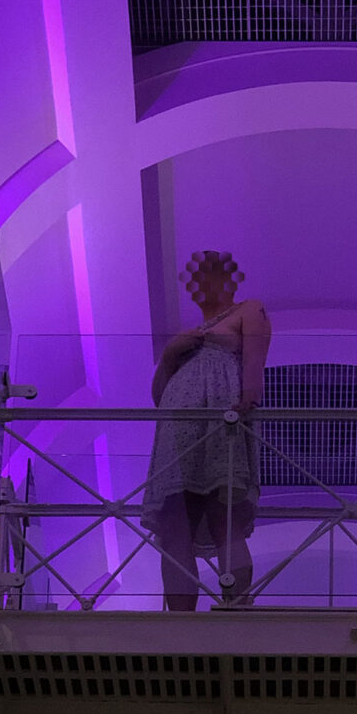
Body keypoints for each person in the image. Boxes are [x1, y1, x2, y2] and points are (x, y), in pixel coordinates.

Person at [141, 251, 271, 610]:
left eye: (208, 276)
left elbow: (254, 366)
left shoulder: (248, 309)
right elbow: (159, 395)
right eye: (196, 280)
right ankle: (181, 622)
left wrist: (244, 403)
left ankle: (237, 606)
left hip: (219, 421)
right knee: (174, 525)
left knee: (222, 513)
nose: (200, 286)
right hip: (178, 429)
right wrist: (170, 355)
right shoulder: (187, 333)